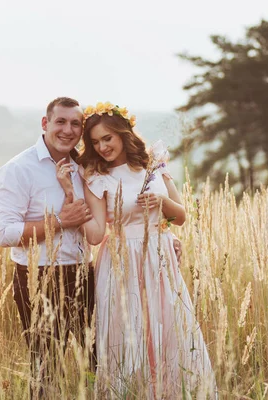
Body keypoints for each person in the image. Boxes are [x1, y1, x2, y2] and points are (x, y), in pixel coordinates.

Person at [55, 101, 216, 398]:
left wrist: (162, 204)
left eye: (108, 138)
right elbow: (95, 235)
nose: (102, 147)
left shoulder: (153, 165)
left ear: (122, 133)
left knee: (167, 330)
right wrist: (69, 194)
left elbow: (180, 216)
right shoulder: (96, 177)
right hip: (121, 262)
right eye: (95, 142)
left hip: (160, 257)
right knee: (129, 337)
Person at [0, 97, 96, 397]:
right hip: (38, 279)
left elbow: (110, 215)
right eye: (60, 122)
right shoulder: (18, 169)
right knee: (46, 369)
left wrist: (162, 237)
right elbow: (4, 233)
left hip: (84, 275)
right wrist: (59, 221)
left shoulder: (85, 168)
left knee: (97, 361)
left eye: (76, 123)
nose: (68, 130)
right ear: (45, 124)